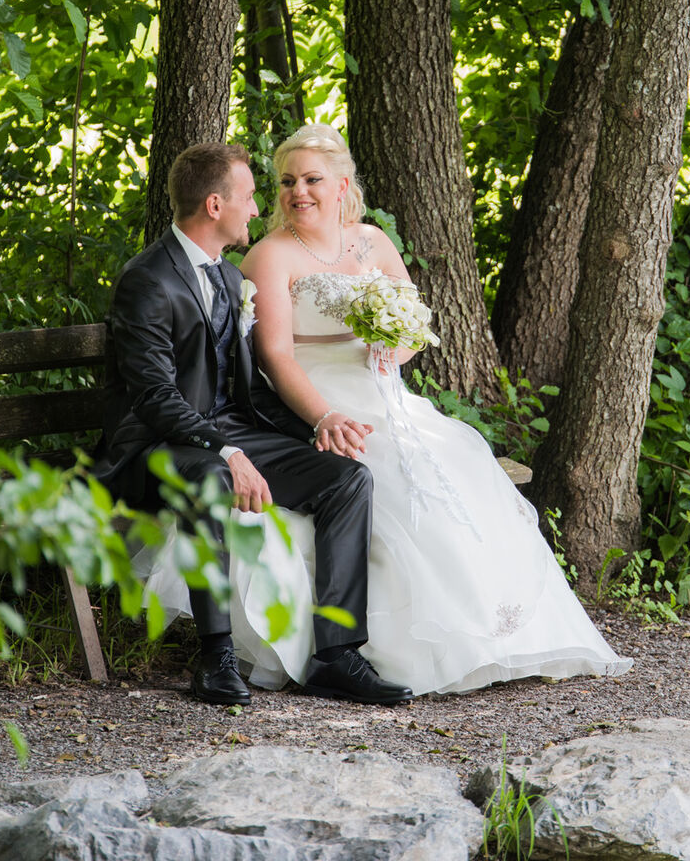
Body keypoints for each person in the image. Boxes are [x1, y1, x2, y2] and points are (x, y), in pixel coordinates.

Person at [164, 121, 630, 695]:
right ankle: (373, 652)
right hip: (316, 395)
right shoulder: (269, 257)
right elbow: (276, 357)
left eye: (311, 179)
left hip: (383, 388)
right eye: (286, 181)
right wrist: (323, 417)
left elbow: (413, 326)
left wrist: (393, 346)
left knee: (457, 467)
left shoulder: (372, 242)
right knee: (383, 481)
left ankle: (492, 639)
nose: (297, 192)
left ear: (341, 185)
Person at [91, 142, 412, 707]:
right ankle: (214, 657)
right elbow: (154, 397)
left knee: (346, 478)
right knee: (210, 477)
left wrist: (312, 429)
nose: (260, 207)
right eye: (248, 196)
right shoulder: (148, 280)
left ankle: (336, 655)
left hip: (226, 430)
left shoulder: (226, 276)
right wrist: (227, 452)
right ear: (215, 206)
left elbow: (247, 387)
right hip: (155, 444)